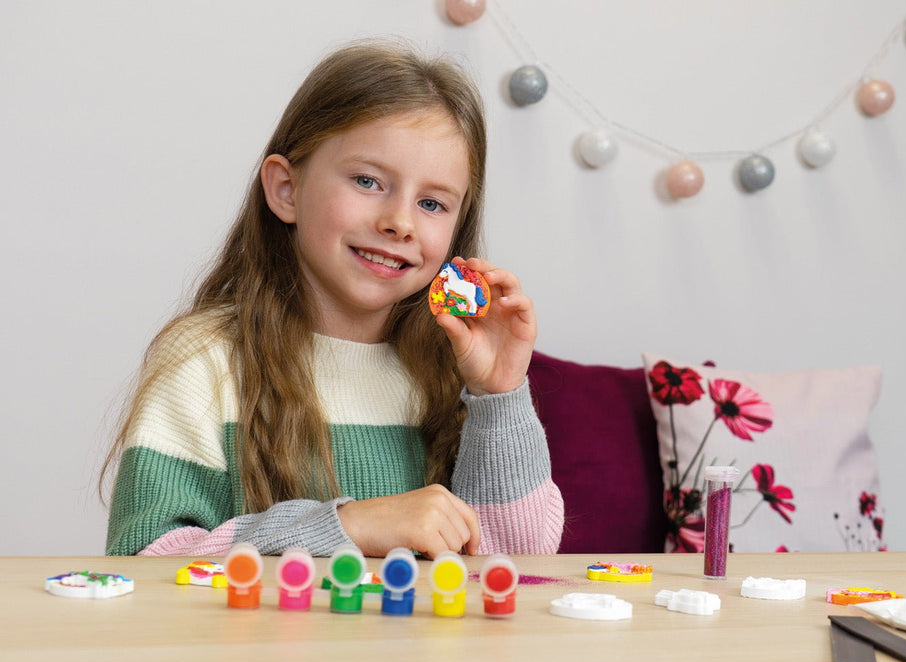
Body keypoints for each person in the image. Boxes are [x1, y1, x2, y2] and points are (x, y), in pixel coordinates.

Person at [101, 40, 564, 559]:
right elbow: (145, 563)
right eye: (368, 181)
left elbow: (511, 568)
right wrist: (344, 525)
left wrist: (498, 396)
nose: (400, 222)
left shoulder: (452, 370)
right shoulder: (205, 359)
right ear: (286, 190)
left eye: (432, 203)